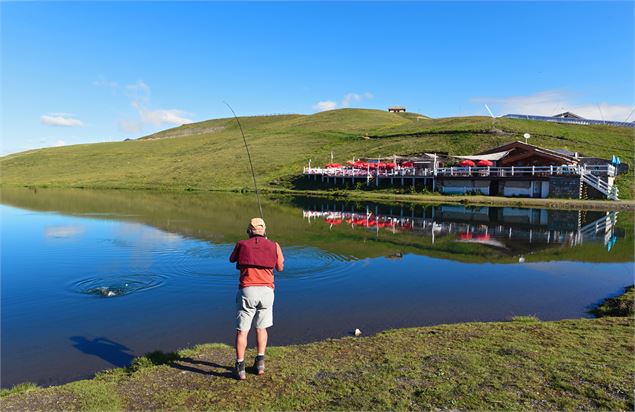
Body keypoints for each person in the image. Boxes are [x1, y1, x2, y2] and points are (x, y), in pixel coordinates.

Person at [229, 217, 284, 380]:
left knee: (242, 330)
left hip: (247, 291)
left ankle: (240, 367)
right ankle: (260, 364)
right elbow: (280, 268)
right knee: (261, 328)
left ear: (249, 230)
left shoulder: (242, 244)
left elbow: (232, 259)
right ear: (264, 230)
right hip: (267, 292)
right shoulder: (274, 245)